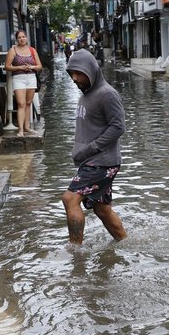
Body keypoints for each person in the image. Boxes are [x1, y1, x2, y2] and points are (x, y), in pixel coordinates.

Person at [62, 48, 127, 244]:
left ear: (91, 71)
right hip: (91, 161)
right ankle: (125, 243)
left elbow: (118, 127)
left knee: (70, 199)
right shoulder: (86, 93)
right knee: (102, 209)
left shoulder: (107, 94)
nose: (74, 78)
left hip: (101, 162)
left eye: (79, 73)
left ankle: (76, 253)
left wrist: (91, 149)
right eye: (72, 73)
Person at [4, 30, 41, 137]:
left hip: (31, 77)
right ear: (17, 39)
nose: (22, 39)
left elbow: (39, 66)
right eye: (19, 37)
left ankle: (27, 127)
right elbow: (7, 66)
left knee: (28, 103)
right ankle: (20, 130)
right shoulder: (13, 50)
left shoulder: (32, 50)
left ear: (26, 38)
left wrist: (31, 67)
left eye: (23, 37)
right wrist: (19, 67)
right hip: (18, 78)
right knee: (21, 103)